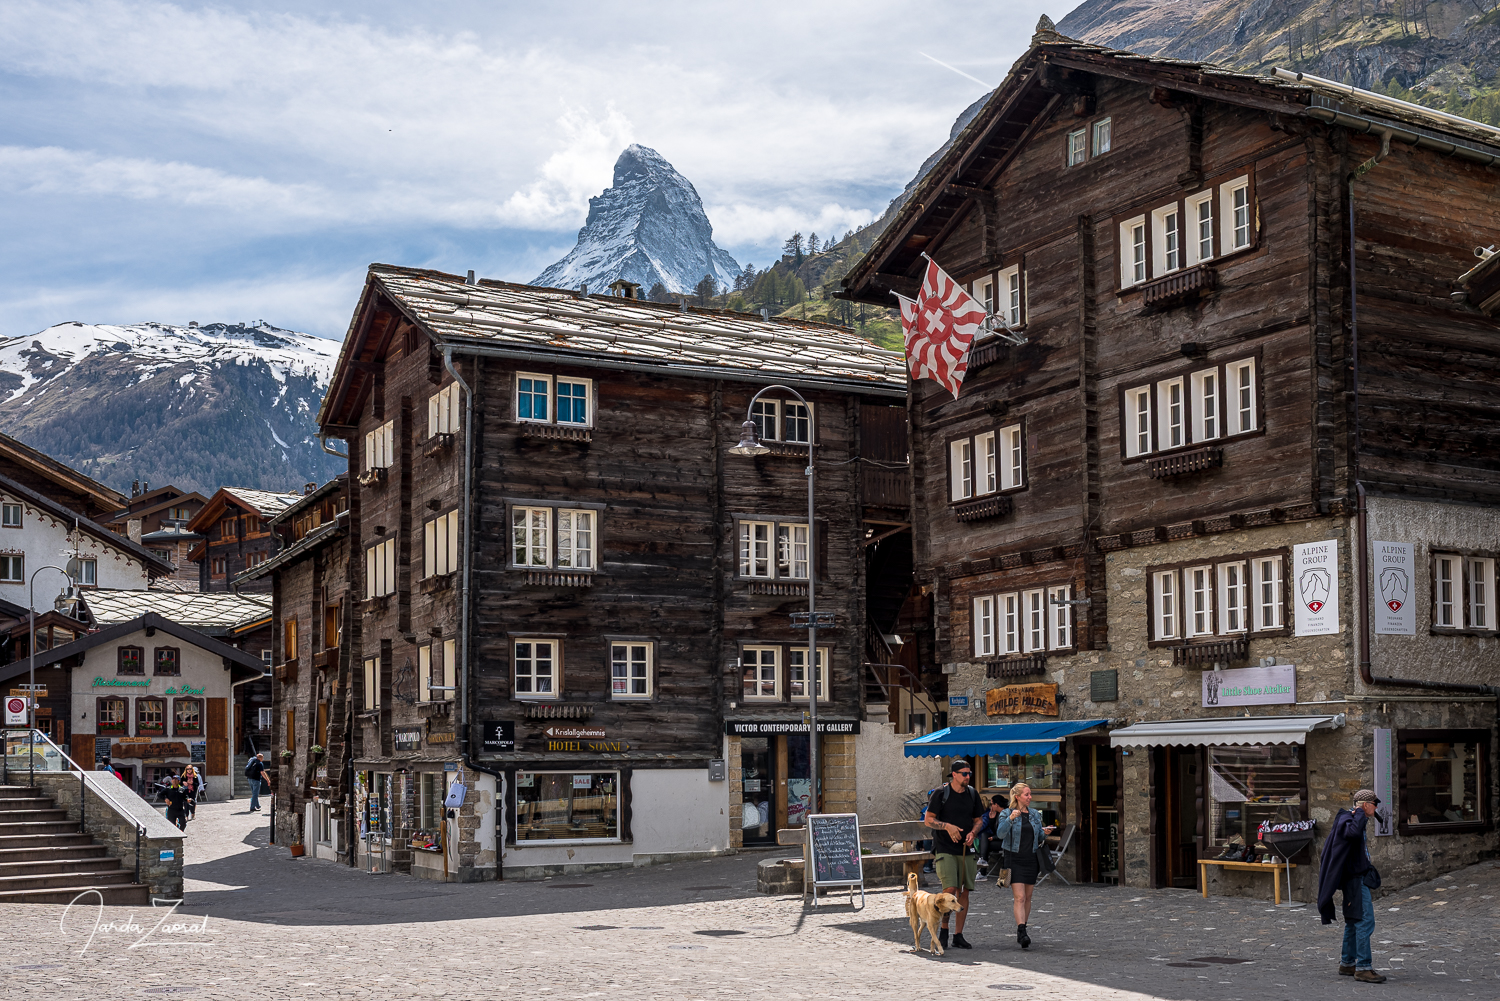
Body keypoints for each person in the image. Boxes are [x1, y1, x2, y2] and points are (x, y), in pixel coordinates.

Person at [1317, 789, 1387, 984]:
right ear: (1365, 805)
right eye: (1374, 804)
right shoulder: (1350, 819)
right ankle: (1363, 967)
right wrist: (1360, 816)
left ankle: (1347, 963)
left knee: (1353, 920)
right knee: (1365, 921)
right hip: (1355, 879)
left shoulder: (1351, 818)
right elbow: (1353, 833)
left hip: (1356, 877)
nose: (1376, 807)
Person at [923, 760, 986, 951]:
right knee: (950, 890)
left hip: (966, 849)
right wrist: (947, 826)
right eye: (964, 773)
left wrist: (973, 833)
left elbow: (979, 820)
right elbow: (928, 820)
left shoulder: (972, 794)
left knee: (964, 891)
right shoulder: (940, 794)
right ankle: (943, 930)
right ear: (954, 775)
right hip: (944, 848)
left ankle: (958, 935)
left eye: (970, 773)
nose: (968, 776)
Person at [993, 782, 1056, 949]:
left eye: (1030, 794)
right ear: (1017, 796)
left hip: (1032, 859)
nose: (1030, 797)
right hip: (1014, 859)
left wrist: (1045, 833)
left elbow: (1038, 836)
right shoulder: (1007, 813)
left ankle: (1023, 928)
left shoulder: (1035, 814)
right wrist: (1010, 819)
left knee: (1028, 897)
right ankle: (1021, 931)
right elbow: (1000, 833)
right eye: (1027, 794)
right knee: (1019, 897)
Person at [975, 795, 1006, 879]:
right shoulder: (996, 814)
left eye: (992, 804)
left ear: (996, 804)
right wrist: (991, 819)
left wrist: (994, 838)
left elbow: (1005, 832)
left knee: (985, 843)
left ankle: (982, 871)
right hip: (998, 839)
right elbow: (995, 830)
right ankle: (982, 862)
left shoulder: (1006, 814)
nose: (990, 806)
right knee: (984, 835)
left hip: (1005, 841)